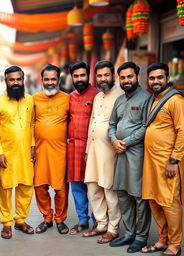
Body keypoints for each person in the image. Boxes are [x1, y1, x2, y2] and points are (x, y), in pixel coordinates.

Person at [141, 63, 184, 256]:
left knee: (169, 203)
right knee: (154, 202)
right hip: (151, 163)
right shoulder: (154, 99)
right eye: (152, 78)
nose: (156, 81)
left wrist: (174, 159)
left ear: (167, 79)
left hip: (167, 163)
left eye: (159, 78)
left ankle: (175, 244)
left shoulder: (175, 100)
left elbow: (182, 131)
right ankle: (162, 239)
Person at [108, 62, 151, 253]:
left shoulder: (147, 99)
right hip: (120, 155)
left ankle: (141, 237)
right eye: (123, 77)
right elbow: (111, 124)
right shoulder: (119, 100)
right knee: (123, 194)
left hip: (136, 155)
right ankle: (129, 233)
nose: (126, 80)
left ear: (137, 77)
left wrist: (125, 142)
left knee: (138, 196)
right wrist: (114, 140)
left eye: (129, 77)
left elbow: (146, 127)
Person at [0, 66, 35, 239]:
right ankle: (6, 223)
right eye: (12, 79)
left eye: (18, 79)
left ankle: (20, 220)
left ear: (23, 80)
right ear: (6, 81)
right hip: (7, 154)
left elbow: (32, 124)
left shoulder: (30, 100)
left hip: (26, 153)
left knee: (26, 186)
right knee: (6, 189)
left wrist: (33, 146)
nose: (16, 82)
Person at [83, 61, 122, 243]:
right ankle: (101, 224)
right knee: (93, 188)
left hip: (110, 152)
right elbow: (92, 121)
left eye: (106, 75)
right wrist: (87, 150)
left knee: (109, 191)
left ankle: (113, 229)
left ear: (113, 75)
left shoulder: (121, 95)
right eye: (99, 76)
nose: (103, 79)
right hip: (93, 152)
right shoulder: (98, 96)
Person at [33, 64, 70, 235]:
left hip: (60, 151)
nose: (49, 82)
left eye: (53, 79)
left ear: (59, 80)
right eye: (46, 79)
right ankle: (47, 217)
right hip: (40, 151)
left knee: (60, 188)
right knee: (40, 186)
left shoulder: (67, 98)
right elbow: (30, 123)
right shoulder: (34, 99)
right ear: (42, 80)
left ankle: (60, 219)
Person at [67, 61, 98, 235]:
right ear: (72, 77)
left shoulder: (97, 95)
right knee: (77, 186)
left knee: (94, 185)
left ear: (88, 76)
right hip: (73, 147)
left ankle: (98, 219)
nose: (79, 79)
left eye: (82, 75)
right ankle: (82, 219)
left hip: (91, 148)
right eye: (76, 76)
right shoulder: (70, 97)